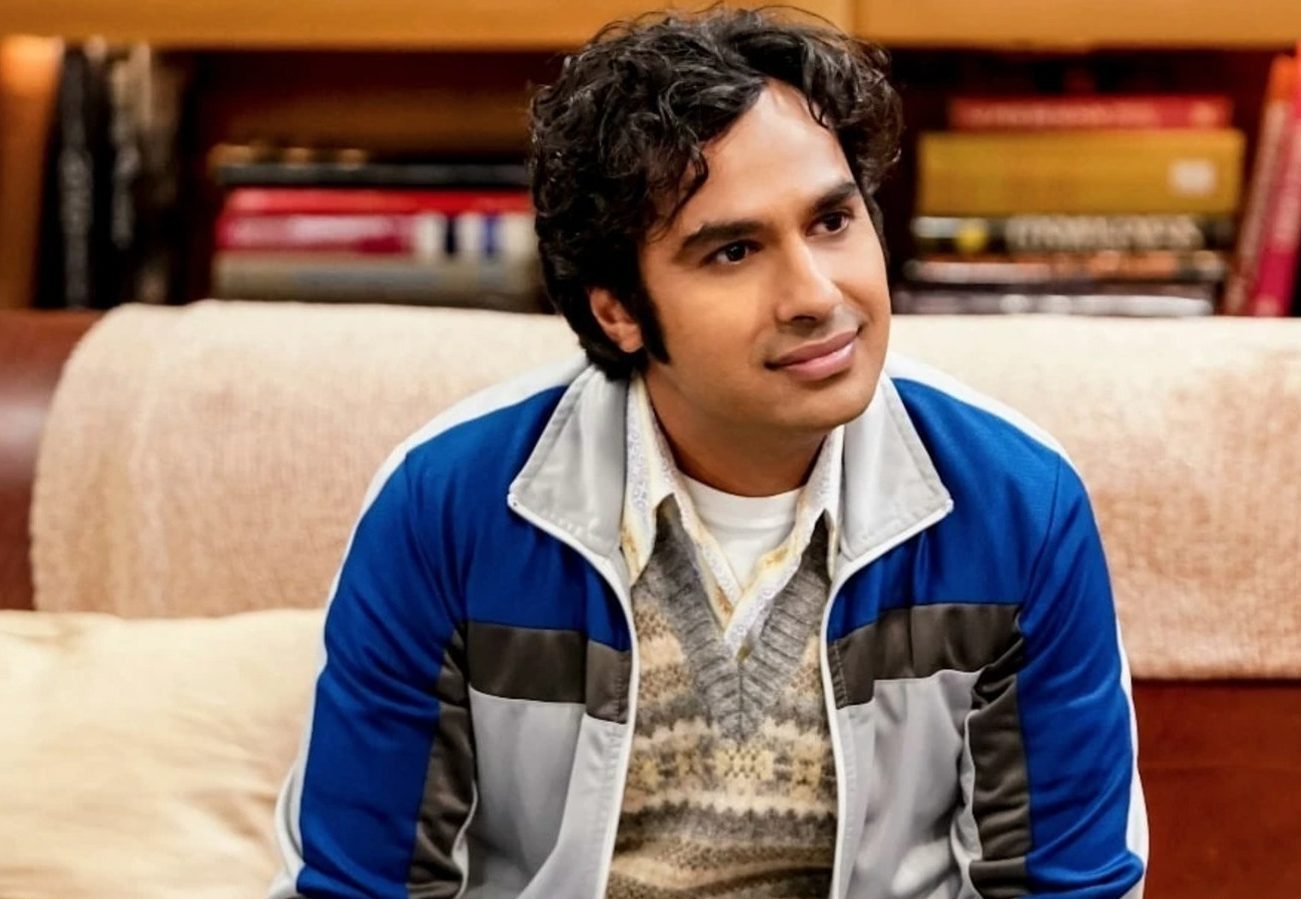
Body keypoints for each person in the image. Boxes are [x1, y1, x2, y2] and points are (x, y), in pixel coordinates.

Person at [269, 7, 1148, 898]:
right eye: (734, 251)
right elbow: (359, 885)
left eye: (833, 221)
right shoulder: (447, 508)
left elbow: (1065, 887)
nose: (816, 295)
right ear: (618, 309)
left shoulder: (1018, 506)